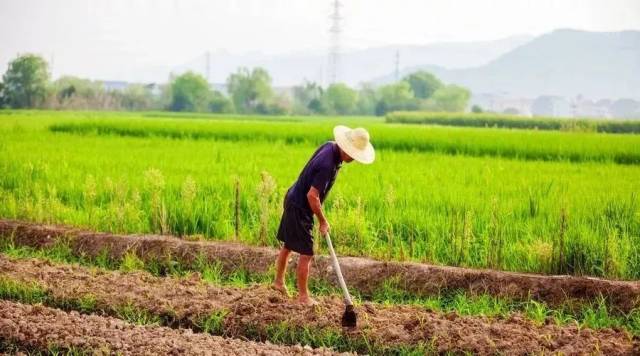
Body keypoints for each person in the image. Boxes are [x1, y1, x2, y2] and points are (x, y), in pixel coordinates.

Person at [272, 125, 375, 305]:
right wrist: (322, 221)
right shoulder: (327, 165)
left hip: (292, 197)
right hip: (300, 207)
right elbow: (312, 196)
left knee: (288, 245)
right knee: (307, 253)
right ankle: (303, 297)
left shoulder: (329, 146)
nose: (353, 159)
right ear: (346, 149)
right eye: (354, 155)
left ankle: (279, 283)